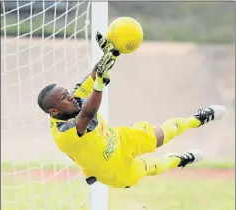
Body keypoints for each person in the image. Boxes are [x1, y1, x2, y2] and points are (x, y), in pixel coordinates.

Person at [37, 32, 226, 188]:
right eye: (63, 98)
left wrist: (112, 53)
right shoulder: (63, 133)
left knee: (162, 133)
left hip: (120, 139)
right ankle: (179, 160)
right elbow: (88, 113)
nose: (70, 96)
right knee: (152, 167)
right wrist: (101, 84)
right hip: (112, 170)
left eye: (66, 92)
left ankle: (198, 118)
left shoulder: (75, 98)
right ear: (54, 111)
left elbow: (95, 74)